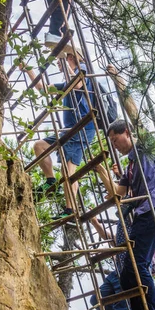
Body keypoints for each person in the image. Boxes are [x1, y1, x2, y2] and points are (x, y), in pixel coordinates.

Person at [95, 119, 155, 310]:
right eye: (111, 141)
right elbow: (117, 194)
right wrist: (102, 173)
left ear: (128, 133)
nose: (114, 145)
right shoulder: (129, 165)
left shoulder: (145, 148)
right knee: (128, 271)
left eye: (115, 139)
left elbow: (135, 114)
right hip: (143, 214)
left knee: (137, 265)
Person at [19, 52, 95, 216]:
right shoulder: (67, 82)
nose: (58, 64)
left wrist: (63, 58)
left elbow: (78, 84)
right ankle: (51, 180)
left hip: (81, 128)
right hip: (68, 129)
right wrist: (28, 70)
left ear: (71, 58)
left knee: (68, 170)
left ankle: (70, 209)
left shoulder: (82, 69)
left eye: (61, 61)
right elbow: (43, 89)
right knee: (40, 146)